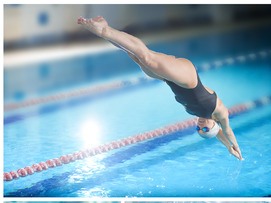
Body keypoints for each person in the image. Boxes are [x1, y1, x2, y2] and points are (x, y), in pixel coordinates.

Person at [78, 16, 242, 160]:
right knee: (147, 57)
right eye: (205, 128)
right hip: (188, 78)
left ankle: (105, 28)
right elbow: (225, 132)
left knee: (135, 56)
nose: (200, 125)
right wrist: (232, 146)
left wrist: (222, 142)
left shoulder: (197, 114)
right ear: (215, 124)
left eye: (198, 129)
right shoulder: (219, 112)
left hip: (168, 80)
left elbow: (214, 132)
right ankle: (103, 30)